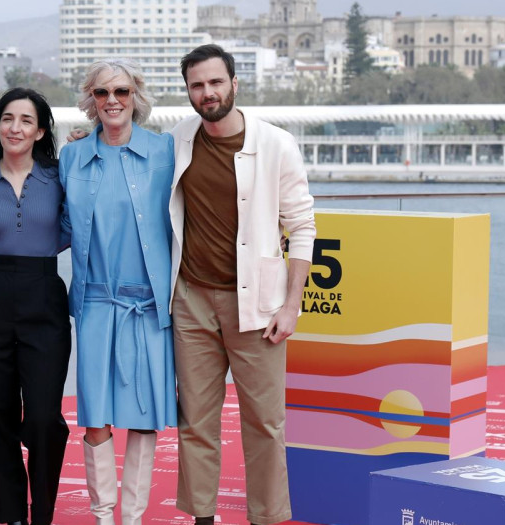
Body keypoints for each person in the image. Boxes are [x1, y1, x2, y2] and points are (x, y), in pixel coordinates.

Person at [169, 44, 316, 525]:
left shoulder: (276, 144)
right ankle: (203, 518)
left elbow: (302, 227)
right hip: (191, 301)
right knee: (196, 422)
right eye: (197, 85)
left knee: (265, 425)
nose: (207, 93)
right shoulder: (177, 140)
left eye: (215, 82)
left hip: (257, 305)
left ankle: (267, 519)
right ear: (188, 91)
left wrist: (291, 306)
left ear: (235, 83)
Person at [58, 59, 176, 525]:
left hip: (148, 307)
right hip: (94, 305)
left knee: (144, 418)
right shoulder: (72, 156)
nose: (113, 100)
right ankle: (104, 515)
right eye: (102, 92)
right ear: (90, 99)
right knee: (95, 417)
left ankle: (132, 518)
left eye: (122, 91)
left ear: (136, 96)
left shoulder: (165, 149)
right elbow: (58, 223)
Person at [0, 88, 71, 525]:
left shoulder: (61, 177)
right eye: (7, 118)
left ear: (41, 130)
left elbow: (70, 230)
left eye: (26, 120)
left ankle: (42, 512)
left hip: (44, 293)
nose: (15, 127)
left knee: (43, 417)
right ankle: (12, 516)